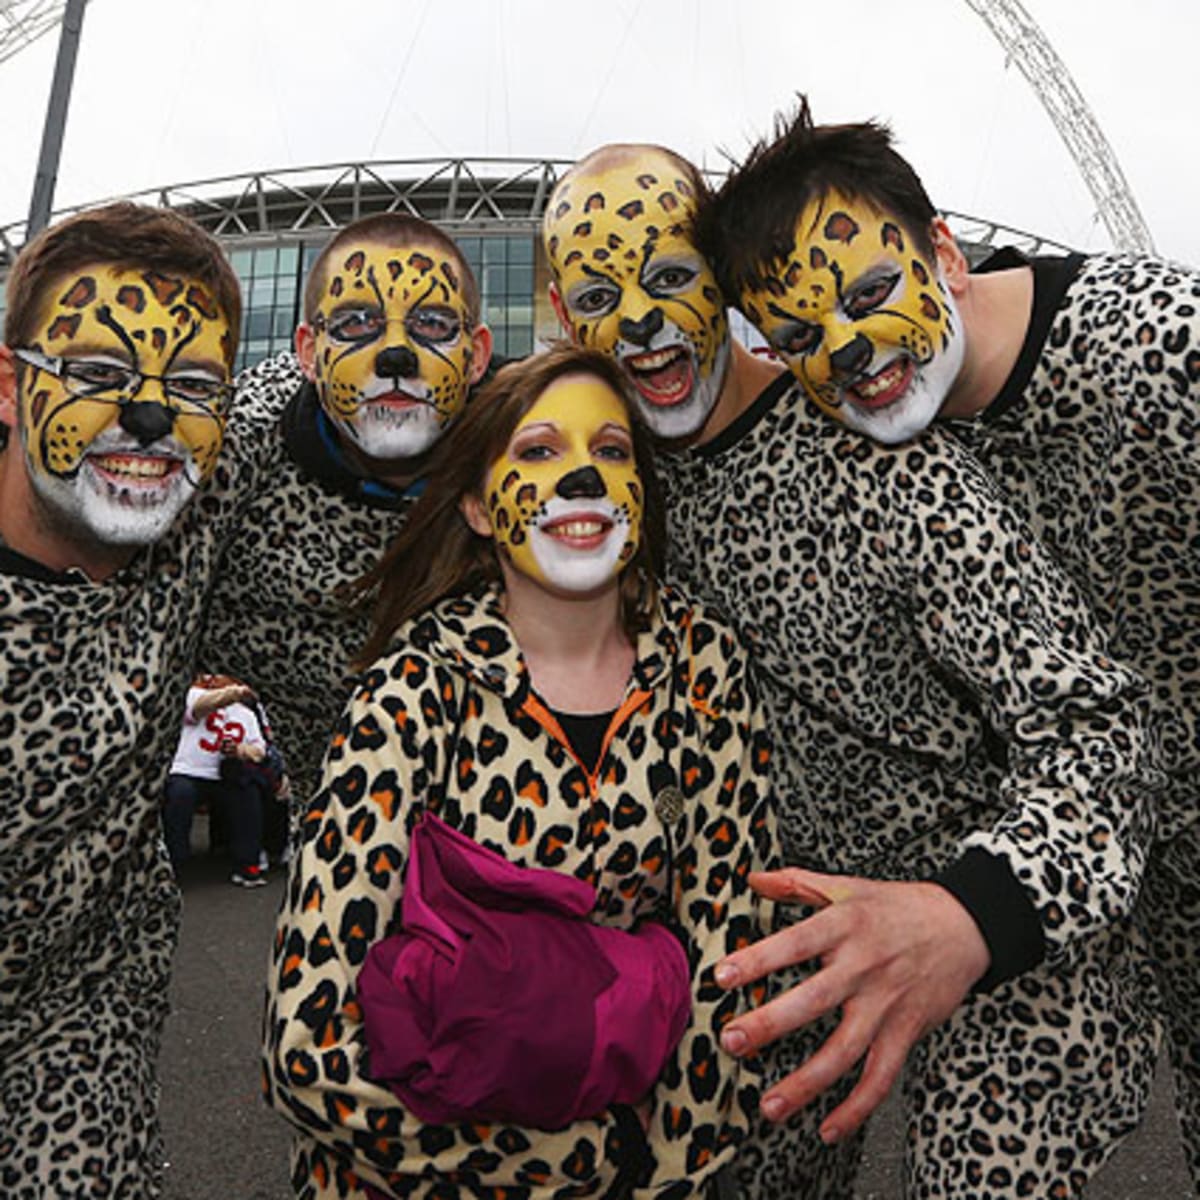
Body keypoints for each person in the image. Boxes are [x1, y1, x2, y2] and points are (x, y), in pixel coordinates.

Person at [543, 143, 1162, 1198]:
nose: (644, 323)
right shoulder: (603, 485)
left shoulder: (876, 451)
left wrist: (970, 915)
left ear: (724, 285)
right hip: (784, 938)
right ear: (563, 314)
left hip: (996, 922)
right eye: (605, 296)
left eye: (673, 280)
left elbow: (1097, 727)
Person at [694, 98, 1200, 1190]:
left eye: (872, 293)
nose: (853, 351)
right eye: (800, 338)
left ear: (944, 251)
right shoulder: (870, 445)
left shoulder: (1165, 348)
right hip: (1069, 865)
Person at [262, 344, 776, 1199]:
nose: (583, 477)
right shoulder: (411, 690)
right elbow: (308, 1044)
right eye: (539, 451)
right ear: (473, 503)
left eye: (611, 451)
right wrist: (576, 1166)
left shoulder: (705, 665)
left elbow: (733, 950)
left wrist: (664, 1176)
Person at [0, 202, 260, 1195]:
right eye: (99, 375)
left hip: (83, 1031)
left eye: (190, 385)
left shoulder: (195, 503)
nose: (147, 416)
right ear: (11, 389)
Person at [199, 213, 494, 818]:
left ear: (476, 354)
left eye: (433, 324)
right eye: (357, 323)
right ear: (308, 351)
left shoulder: (526, 449)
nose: (394, 356)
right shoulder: (231, 455)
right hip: (336, 834)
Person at [163, 673, 271, 886]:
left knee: (247, 790)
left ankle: (248, 864)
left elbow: (260, 750)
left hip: (224, 775)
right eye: (208, 674)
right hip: (188, 771)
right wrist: (234, 693)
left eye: (220, 674)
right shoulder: (194, 695)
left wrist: (239, 750)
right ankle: (173, 864)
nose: (212, 678)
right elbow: (199, 708)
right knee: (179, 794)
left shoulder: (246, 714)